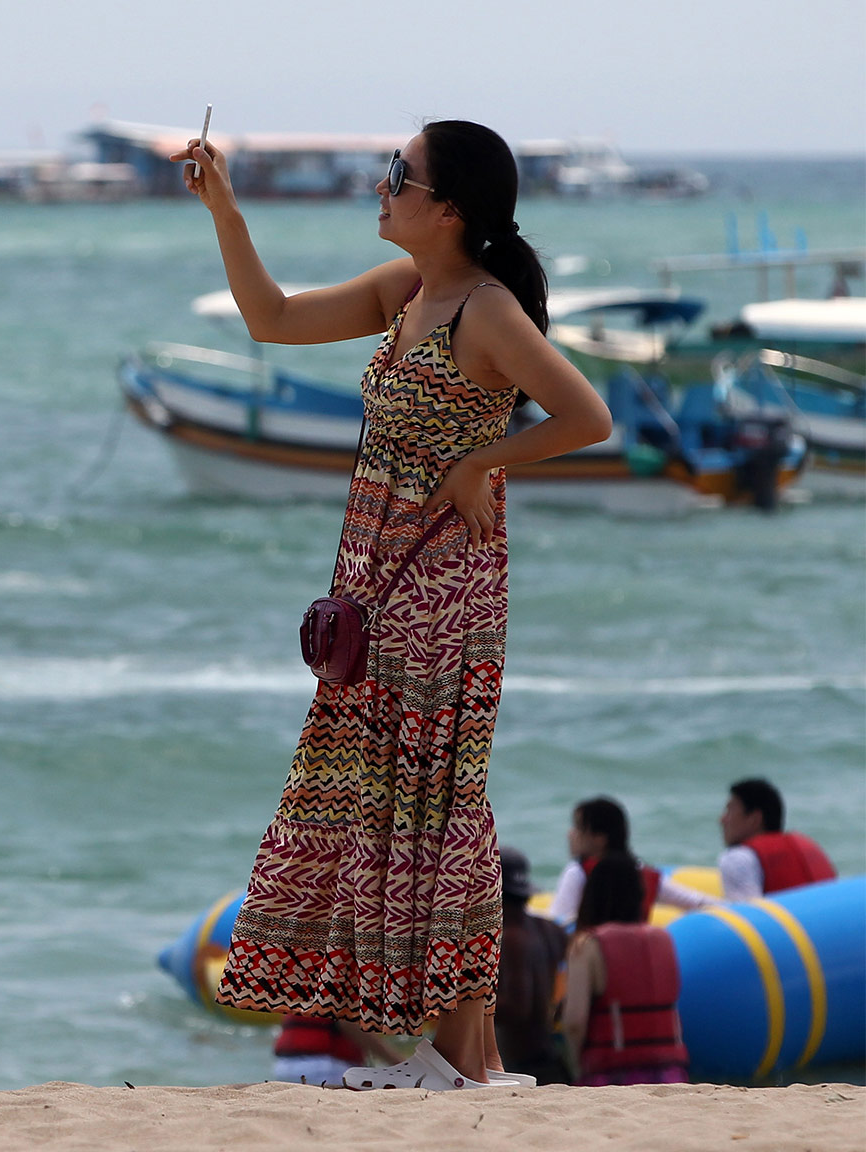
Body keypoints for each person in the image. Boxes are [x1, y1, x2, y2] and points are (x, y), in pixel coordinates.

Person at [178, 121, 613, 1092]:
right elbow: (271, 317)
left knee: (440, 807)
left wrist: (479, 461)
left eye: (396, 176)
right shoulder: (406, 295)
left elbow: (588, 416)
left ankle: (460, 1056)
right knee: (415, 805)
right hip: (380, 588)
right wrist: (224, 210)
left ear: (447, 206)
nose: (379, 190)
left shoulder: (487, 313)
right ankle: (469, 1056)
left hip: (446, 590)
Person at [561, 852, 690, 1085]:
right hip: (671, 1073)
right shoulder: (665, 939)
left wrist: (575, 1067)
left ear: (592, 895)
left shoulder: (588, 945)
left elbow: (574, 1023)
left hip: (610, 1074)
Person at [547, 797, 715, 924]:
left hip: (591, 961)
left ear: (600, 838)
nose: (570, 834)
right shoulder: (642, 872)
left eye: (577, 827)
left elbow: (558, 922)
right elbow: (697, 903)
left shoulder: (577, 872)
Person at [493, 846, 570, 1085]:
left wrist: (455, 1003)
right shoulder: (552, 930)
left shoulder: (508, 937)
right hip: (552, 1059)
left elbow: (518, 1007)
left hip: (518, 1068)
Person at [718, 778, 837, 901]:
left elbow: (745, 916)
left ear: (754, 819)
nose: (722, 820)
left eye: (729, 811)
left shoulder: (738, 858)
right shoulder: (808, 846)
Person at [269, 1016, 407, 1087]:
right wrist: (399, 1063)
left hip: (283, 1067)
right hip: (324, 1067)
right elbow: (349, 1024)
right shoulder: (341, 981)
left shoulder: (306, 980)